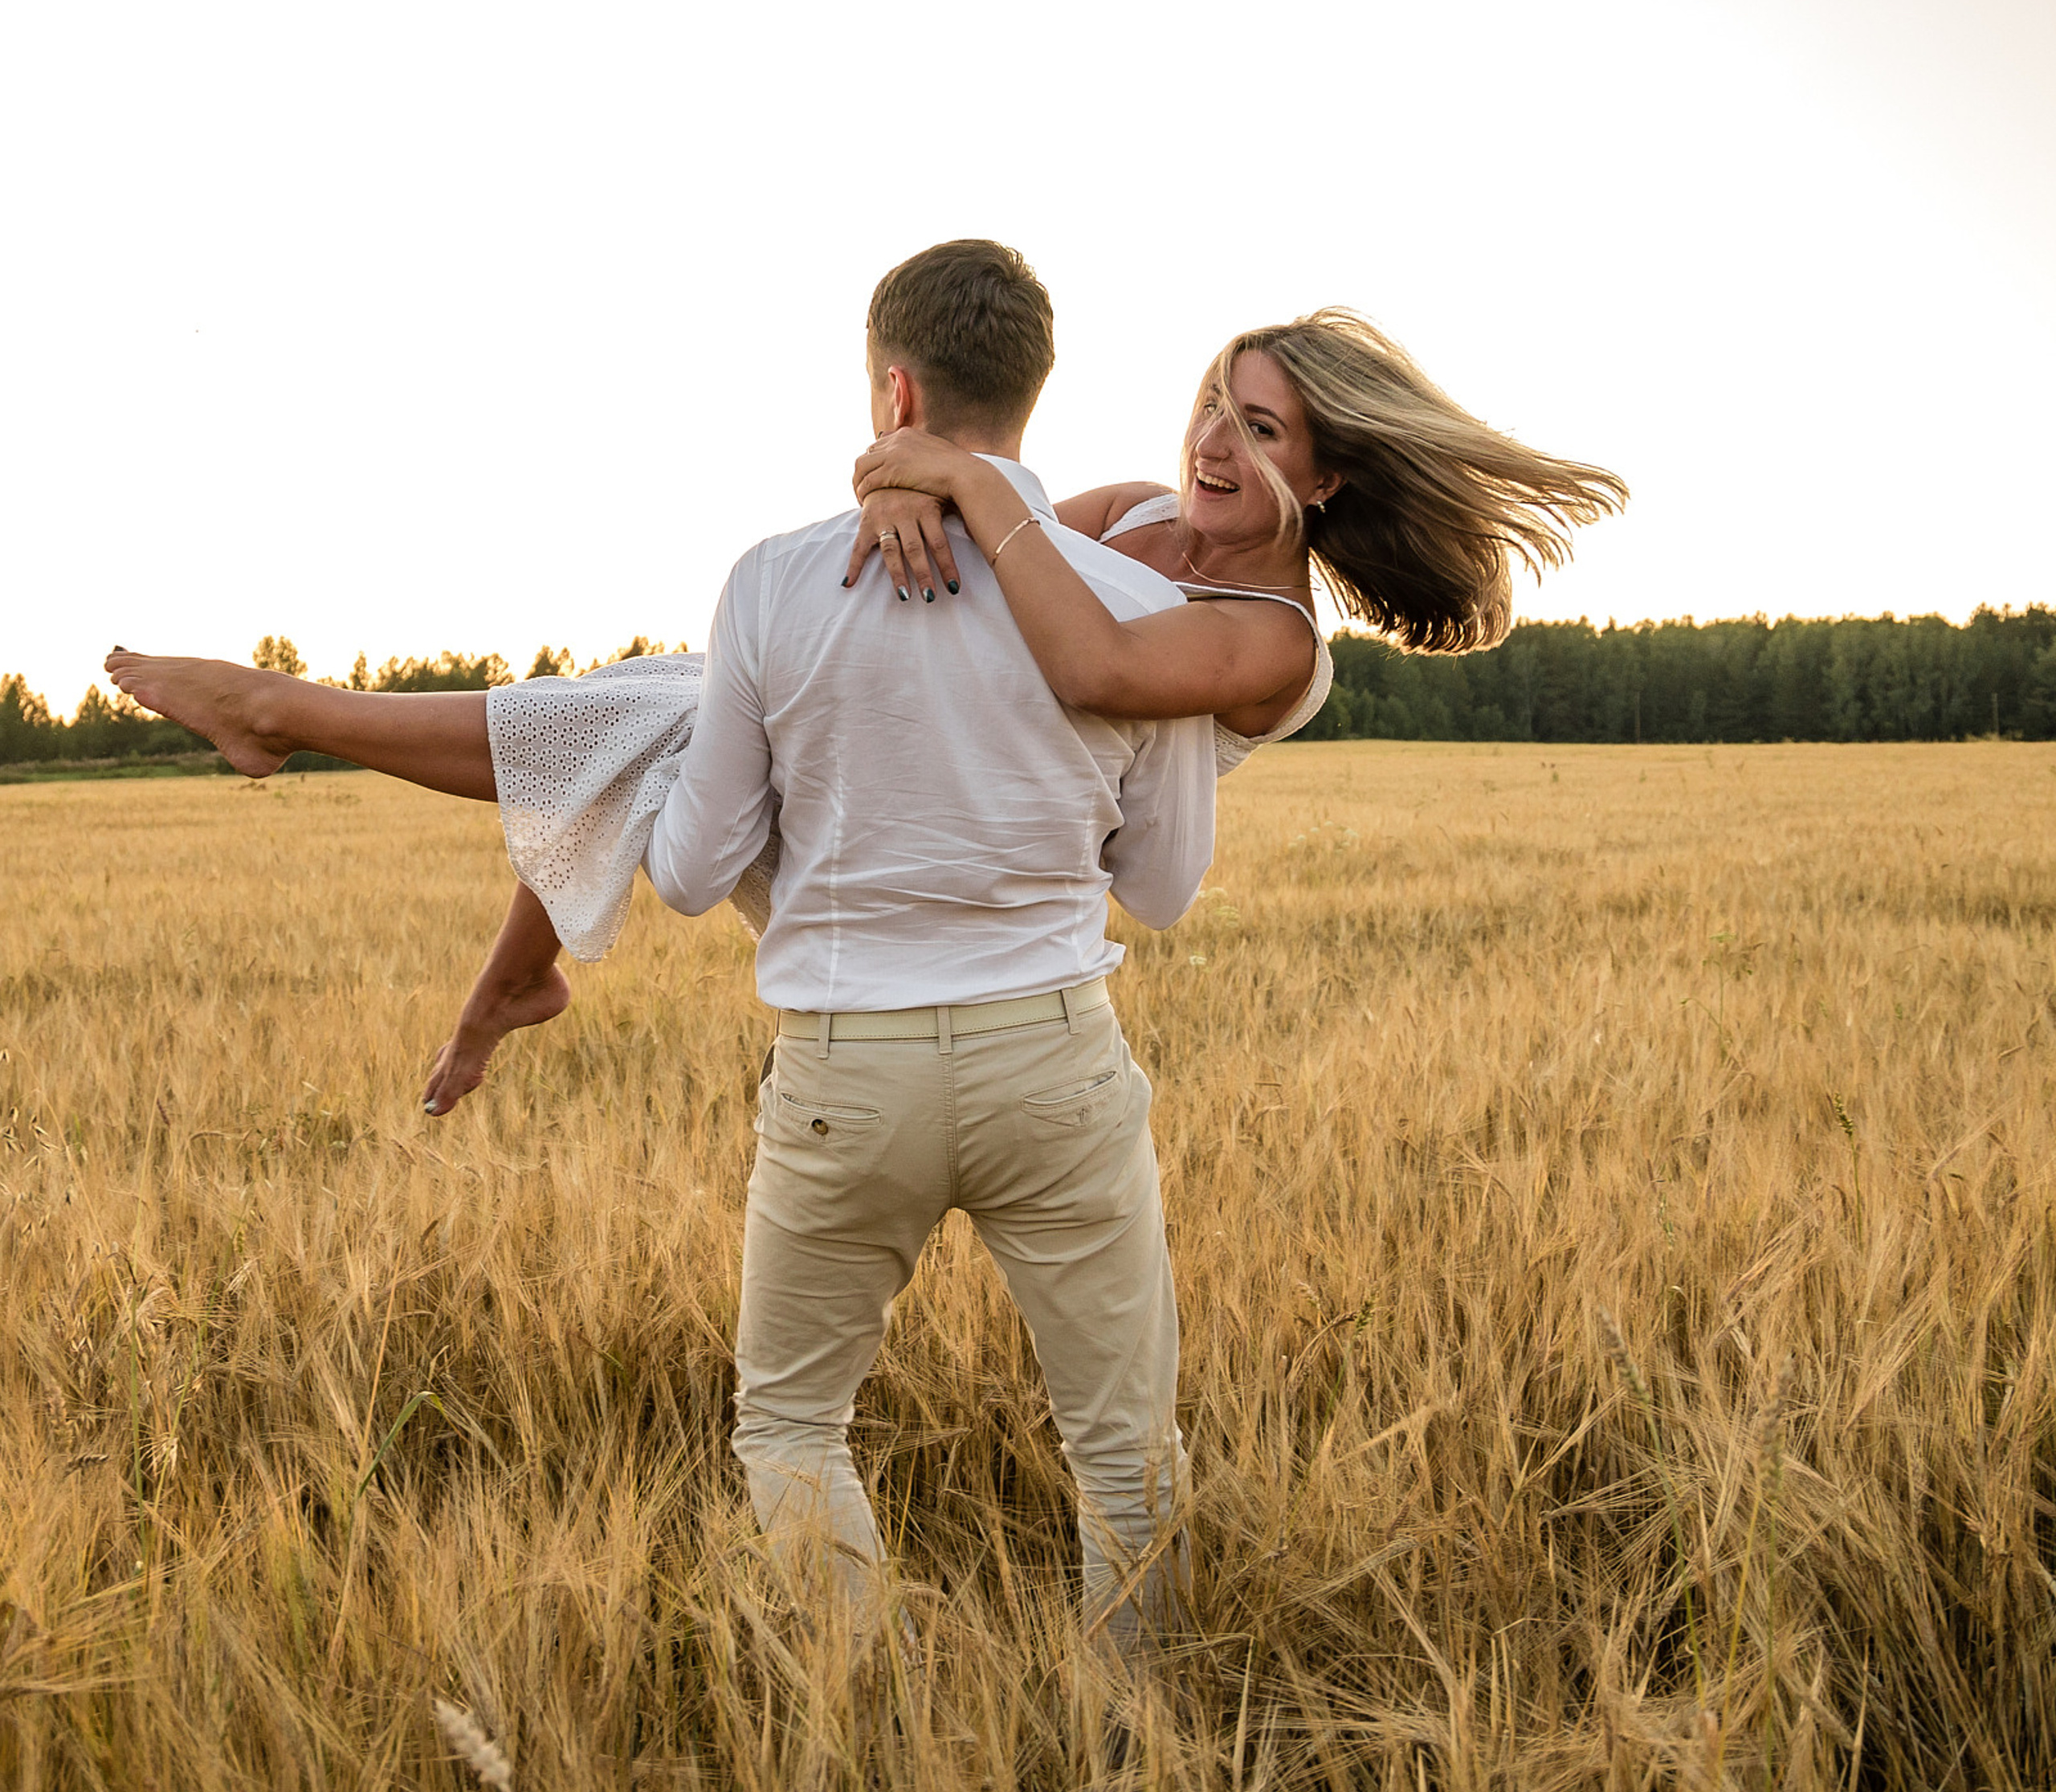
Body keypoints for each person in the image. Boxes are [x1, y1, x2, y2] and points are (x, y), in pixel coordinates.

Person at [104, 239, 1625, 1655]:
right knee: (1123, 1446)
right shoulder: (1125, 541)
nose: (1216, 449)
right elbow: (1149, 881)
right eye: (1215, 410)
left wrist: (914, 496)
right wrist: (925, 494)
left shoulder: (1239, 641)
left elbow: (735, 844)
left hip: (850, 1063)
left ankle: (346, 773)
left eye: (1265, 434)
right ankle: (1134, 1724)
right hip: (1049, 1052)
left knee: (675, 725)